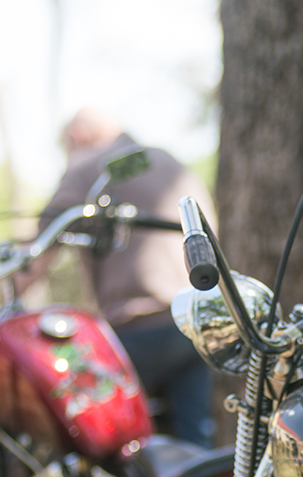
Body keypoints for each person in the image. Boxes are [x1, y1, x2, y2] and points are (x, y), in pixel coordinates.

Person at [28, 109, 218, 446]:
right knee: (193, 442)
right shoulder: (169, 161)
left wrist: (5, 295)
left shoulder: (87, 167)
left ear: (79, 136)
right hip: (197, 323)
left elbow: (38, 251)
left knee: (102, 437)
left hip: (137, 326)